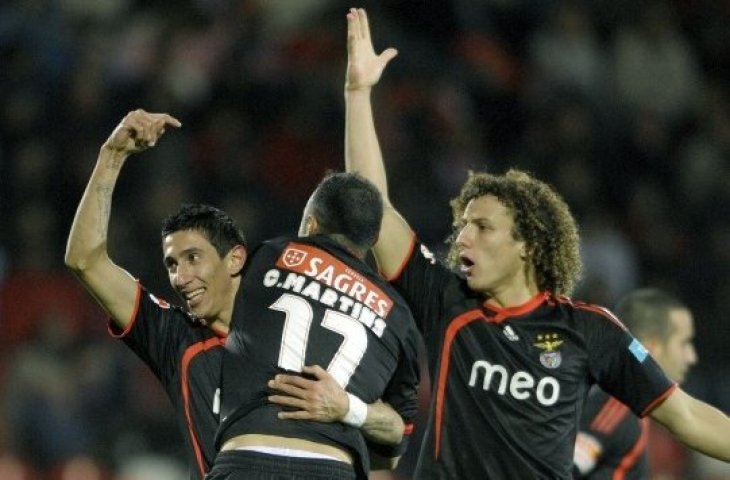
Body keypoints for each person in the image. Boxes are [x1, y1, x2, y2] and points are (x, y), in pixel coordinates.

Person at [341, 7, 730, 478]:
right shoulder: (446, 303)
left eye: (482, 226)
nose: (463, 235)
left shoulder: (590, 331)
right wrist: (358, 92)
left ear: (527, 243)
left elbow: (685, 416)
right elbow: (371, 206)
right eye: (463, 223)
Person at [64, 110, 416, 479]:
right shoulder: (176, 338)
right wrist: (112, 155)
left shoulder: (308, 342)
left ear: (235, 260)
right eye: (170, 265)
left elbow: (388, 444)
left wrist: (347, 408)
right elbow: (85, 261)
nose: (181, 277)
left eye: (193, 258)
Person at [207, 170, 421, 480]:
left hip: (247, 456)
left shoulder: (265, 256)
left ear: (311, 224)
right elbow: (396, 437)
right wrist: (348, 408)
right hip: (331, 466)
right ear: (373, 241)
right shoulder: (398, 316)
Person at [574, 288, 698, 478]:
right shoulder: (617, 407)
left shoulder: (633, 409)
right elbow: (559, 470)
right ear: (651, 347)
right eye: (684, 343)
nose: (692, 357)